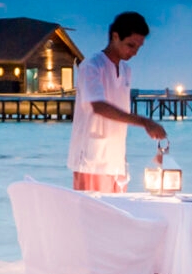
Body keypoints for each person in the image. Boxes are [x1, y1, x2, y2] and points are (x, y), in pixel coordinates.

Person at [68, 11, 167, 193]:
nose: (134, 52)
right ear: (115, 36)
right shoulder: (91, 66)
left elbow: (118, 109)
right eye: (130, 45)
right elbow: (98, 106)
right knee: (92, 219)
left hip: (117, 160)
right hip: (91, 159)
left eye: (138, 47)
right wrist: (144, 122)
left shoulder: (125, 70)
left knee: (117, 219)